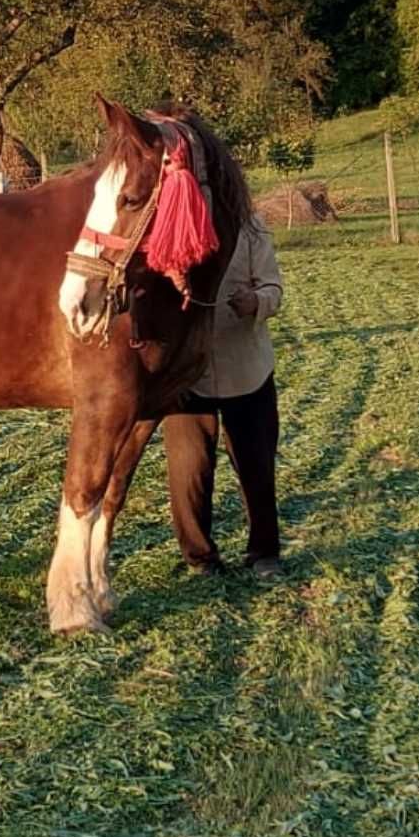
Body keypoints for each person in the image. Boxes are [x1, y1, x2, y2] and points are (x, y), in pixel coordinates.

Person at [163, 210, 284, 578]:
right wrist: (171, 279)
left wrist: (255, 302)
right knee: (189, 469)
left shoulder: (249, 227)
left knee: (256, 466)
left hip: (246, 367)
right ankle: (200, 557)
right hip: (187, 372)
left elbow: (273, 289)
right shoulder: (172, 226)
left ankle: (264, 553)